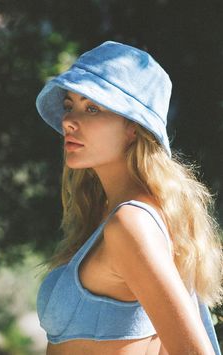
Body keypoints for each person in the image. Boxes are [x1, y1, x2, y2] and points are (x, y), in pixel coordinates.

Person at [36, 41, 222, 355]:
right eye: (69, 105)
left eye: (92, 107)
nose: (68, 120)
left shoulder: (131, 223)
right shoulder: (124, 216)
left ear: (133, 128)